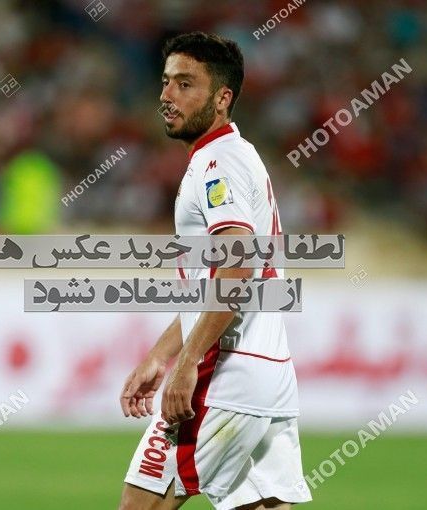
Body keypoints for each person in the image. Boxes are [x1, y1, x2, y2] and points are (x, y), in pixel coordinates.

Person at [118, 32, 312, 510]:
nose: (167, 96)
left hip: (224, 373)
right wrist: (161, 355)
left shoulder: (218, 164)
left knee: (140, 506)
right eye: (166, 82)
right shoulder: (237, 155)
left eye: (185, 84)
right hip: (268, 373)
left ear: (222, 98)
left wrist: (186, 364)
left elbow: (237, 267)